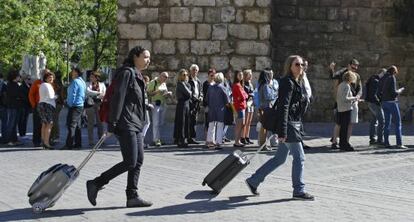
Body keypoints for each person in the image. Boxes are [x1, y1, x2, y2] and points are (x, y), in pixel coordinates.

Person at [86, 46, 153, 208]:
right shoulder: (126, 73)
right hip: (125, 123)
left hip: (135, 123)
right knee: (130, 161)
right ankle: (96, 183)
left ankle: (132, 196)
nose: (148, 60)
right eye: (145, 57)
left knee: (138, 160)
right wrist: (112, 124)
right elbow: (118, 98)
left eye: (149, 57)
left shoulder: (137, 75)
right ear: (135, 56)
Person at [245, 55, 314, 201]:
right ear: (290, 66)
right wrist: (282, 131)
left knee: (279, 159)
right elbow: (284, 107)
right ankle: (299, 190)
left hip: (292, 125)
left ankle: (253, 181)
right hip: (288, 126)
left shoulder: (296, 82)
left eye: (302, 65)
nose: (300, 67)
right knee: (300, 157)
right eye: (297, 64)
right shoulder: (287, 83)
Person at [328, 59, 362, 149]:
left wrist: (357, 97)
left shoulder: (357, 76)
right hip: (342, 102)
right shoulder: (343, 73)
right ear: (349, 65)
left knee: (350, 123)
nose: (354, 68)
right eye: (353, 66)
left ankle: (346, 142)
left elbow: (360, 88)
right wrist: (331, 69)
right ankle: (335, 142)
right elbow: (333, 76)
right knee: (339, 123)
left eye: (356, 67)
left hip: (353, 103)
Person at [380, 65, 407, 149]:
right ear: (394, 72)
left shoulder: (383, 78)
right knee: (398, 123)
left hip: (384, 102)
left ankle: (386, 143)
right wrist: (400, 90)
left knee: (387, 123)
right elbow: (393, 93)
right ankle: (399, 143)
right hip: (391, 103)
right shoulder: (392, 78)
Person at [62, 67, 86, 150]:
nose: (71, 73)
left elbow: (72, 94)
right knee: (78, 125)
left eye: (72, 72)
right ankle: (78, 143)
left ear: (76, 72)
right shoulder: (82, 81)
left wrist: (69, 104)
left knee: (71, 125)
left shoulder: (75, 81)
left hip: (74, 106)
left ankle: (69, 144)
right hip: (80, 105)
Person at [205, 72, 230, 149]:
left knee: (211, 125)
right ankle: (218, 142)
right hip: (220, 109)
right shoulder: (223, 88)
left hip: (211, 109)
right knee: (220, 126)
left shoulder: (210, 87)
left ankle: (209, 141)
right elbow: (227, 100)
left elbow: (207, 99)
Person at [146, 72, 172, 146]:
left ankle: (159, 138)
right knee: (156, 123)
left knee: (161, 123)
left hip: (163, 104)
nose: (166, 79)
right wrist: (157, 91)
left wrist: (168, 94)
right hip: (155, 104)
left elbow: (164, 94)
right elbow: (148, 93)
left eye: (167, 78)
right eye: (165, 77)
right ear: (160, 76)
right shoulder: (153, 82)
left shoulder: (164, 84)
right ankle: (156, 140)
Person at [336, 71, 359, 151]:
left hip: (341, 108)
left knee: (342, 127)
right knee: (345, 128)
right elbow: (345, 98)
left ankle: (342, 144)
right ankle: (344, 144)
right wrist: (354, 98)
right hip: (346, 109)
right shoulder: (347, 86)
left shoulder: (340, 85)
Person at [257, 69, 278, 149]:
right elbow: (268, 97)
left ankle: (263, 144)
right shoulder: (265, 85)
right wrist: (276, 94)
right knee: (264, 128)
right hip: (266, 108)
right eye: (270, 74)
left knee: (264, 127)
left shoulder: (262, 84)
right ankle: (263, 145)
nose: (271, 76)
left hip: (265, 107)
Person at [365, 68, 386, 146]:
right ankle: (380, 140)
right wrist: (379, 103)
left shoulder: (372, 78)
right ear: (382, 74)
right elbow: (374, 94)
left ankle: (372, 139)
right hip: (375, 103)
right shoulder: (376, 81)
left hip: (370, 102)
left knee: (374, 121)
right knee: (382, 121)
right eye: (384, 75)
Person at [85, 71, 106, 146]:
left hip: (99, 104)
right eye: (90, 77)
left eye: (93, 77)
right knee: (90, 123)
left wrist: (100, 94)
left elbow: (104, 94)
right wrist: (98, 93)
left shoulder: (102, 85)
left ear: (97, 78)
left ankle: (101, 140)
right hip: (90, 104)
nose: (91, 78)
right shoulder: (87, 84)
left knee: (100, 123)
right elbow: (87, 92)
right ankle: (91, 141)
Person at [38, 70, 57, 149]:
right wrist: (57, 97)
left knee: (44, 124)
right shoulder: (48, 85)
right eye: (49, 77)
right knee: (49, 124)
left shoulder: (42, 85)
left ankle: (43, 141)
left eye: (52, 77)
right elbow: (51, 97)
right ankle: (47, 143)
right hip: (48, 105)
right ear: (45, 78)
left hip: (41, 104)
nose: (51, 79)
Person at [4, 70, 23, 146]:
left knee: (14, 124)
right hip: (12, 106)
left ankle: (14, 139)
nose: (19, 77)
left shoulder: (13, 84)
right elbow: (15, 94)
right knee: (11, 124)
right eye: (18, 76)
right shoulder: (12, 85)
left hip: (14, 106)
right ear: (15, 77)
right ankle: (9, 140)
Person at [173, 69, 192, 147]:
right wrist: (190, 92)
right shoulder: (180, 84)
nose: (186, 76)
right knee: (182, 122)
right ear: (180, 76)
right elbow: (189, 93)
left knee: (185, 122)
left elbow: (190, 92)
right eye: (184, 75)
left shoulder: (185, 84)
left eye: (186, 74)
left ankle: (180, 139)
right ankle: (181, 139)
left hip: (186, 104)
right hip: (182, 104)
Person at [232, 70, 248, 147]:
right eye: (239, 75)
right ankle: (236, 141)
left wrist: (244, 96)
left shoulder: (240, 85)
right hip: (239, 107)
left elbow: (245, 95)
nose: (241, 76)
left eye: (241, 75)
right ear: (236, 76)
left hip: (242, 106)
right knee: (239, 125)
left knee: (242, 124)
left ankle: (237, 141)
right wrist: (244, 96)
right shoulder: (237, 85)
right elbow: (243, 96)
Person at [188, 64, 203, 144]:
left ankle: (193, 137)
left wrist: (201, 97)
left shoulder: (198, 81)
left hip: (197, 103)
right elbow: (188, 91)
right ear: (190, 71)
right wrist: (193, 97)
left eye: (196, 70)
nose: (194, 72)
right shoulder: (188, 80)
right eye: (193, 70)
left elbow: (201, 91)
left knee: (194, 120)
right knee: (189, 120)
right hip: (190, 103)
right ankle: (188, 137)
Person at [202, 68, 216, 143]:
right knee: (207, 122)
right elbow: (205, 95)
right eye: (211, 75)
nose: (212, 76)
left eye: (213, 75)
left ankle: (212, 139)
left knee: (213, 123)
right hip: (208, 105)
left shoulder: (215, 83)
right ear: (208, 75)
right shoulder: (206, 84)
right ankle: (207, 139)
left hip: (214, 105)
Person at [241, 69, 255, 145]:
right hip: (246, 103)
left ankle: (247, 136)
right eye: (250, 74)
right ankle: (242, 137)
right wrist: (249, 95)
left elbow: (252, 92)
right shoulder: (243, 84)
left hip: (251, 103)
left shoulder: (250, 83)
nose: (251, 76)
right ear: (246, 75)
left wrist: (252, 95)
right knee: (245, 122)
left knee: (249, 122)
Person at [29, 75, 43, 147]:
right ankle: (36, 141)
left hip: (47, 107)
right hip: (38, 105)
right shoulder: (37, 83)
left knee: (45, 124)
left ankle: (44, 140)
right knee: (37, 124)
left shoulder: (50, 83)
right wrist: (34, 105)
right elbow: (31, 94)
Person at [142, 75, 153, 149]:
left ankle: (141, 140)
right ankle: (141, 140)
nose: (148, 83)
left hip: (145, 108)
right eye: (147, 81)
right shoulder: (142, 89)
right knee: (146, 123)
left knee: (146, 123)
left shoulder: (144, 89)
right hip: (143, 108)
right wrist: (148, 105)